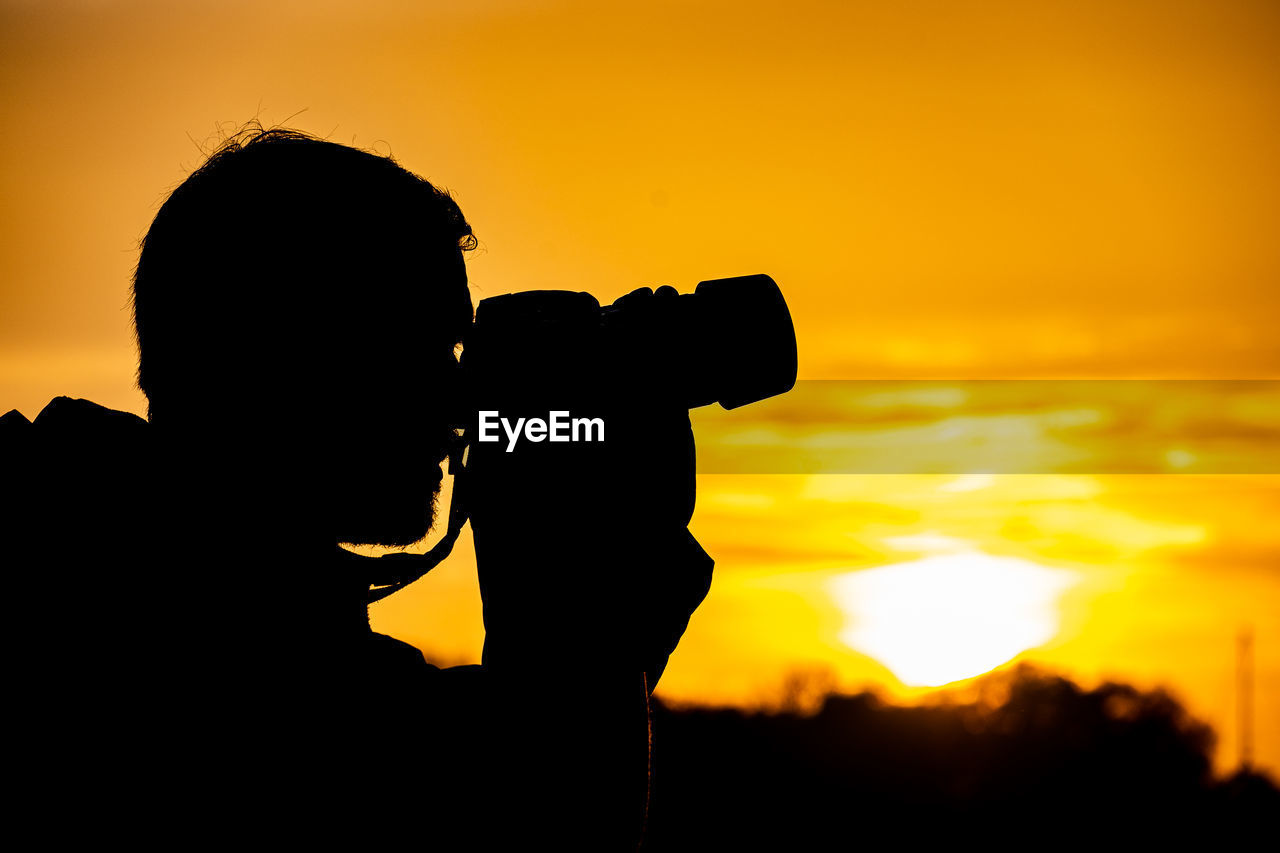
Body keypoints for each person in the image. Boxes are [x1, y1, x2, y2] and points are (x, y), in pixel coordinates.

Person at [3, 127, 712, 849]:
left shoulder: (85, 541)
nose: (456, 395)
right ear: (293, 350)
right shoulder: (199, 646)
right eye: (427, 345)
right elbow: (545, 840)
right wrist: (565, 511)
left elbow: (505, 761)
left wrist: (613, 535)